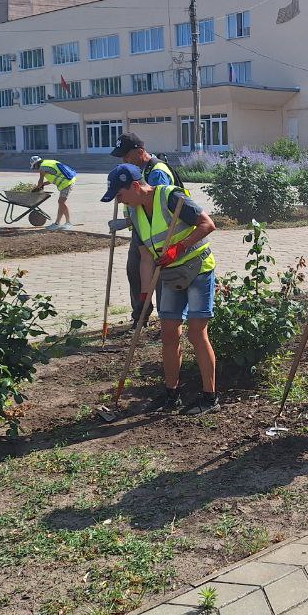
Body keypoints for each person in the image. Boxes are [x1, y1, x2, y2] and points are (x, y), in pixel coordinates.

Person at [103, 162, 219, 415]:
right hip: (169, 274)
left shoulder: (170, 196)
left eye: (120, 194)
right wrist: (144, 297)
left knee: (196, 333)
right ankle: (171, 394)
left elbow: (207, 224)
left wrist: (180, 247)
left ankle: (210, 397)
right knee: (168, 333)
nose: (119, 200)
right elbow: (145, 258)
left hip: (198, 269)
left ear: (135, 186)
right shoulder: (134, 213)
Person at [110, 133, 186, 325]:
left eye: (126, 155)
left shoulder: (157, 171)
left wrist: (126, 223)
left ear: (140, 151)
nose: (124, 159)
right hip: (141, 229)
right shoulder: (136, 169)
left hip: (159, 234)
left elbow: (158, 206)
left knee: (158, 276)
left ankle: (166, 320)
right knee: (135, 271)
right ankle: (141, 313)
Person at [29, 156, 77, 230]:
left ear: (36, 164)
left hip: (67, 182)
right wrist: (44, 184)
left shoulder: (42, 168)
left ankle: (67, 223)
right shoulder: (48, 163)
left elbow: (40, 181)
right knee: (61, 203)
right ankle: (57, 223)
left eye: (35, 167)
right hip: (67, 181)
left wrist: (35, 188)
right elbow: (55, 176)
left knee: (61, 202)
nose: (36, 169)